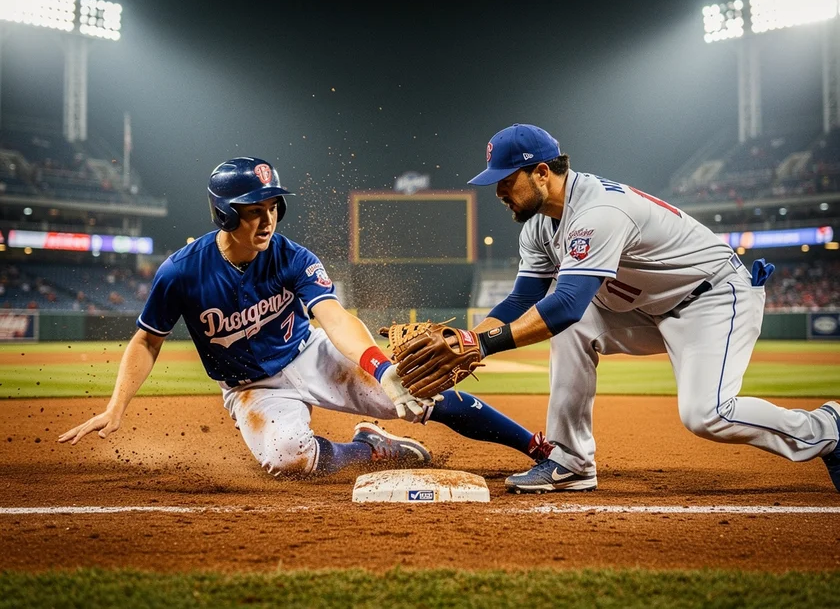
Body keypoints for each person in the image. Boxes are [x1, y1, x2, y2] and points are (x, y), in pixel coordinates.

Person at [405, 123, 840, 493]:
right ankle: (570, 461)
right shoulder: (538, 226)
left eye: (505, 179)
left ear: (541, 173)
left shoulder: (600, 211)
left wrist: (482, 346)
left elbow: (567, 305)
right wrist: (468, 338)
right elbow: (522, 299)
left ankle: (829, 427)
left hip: (711, 298)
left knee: (707, 415)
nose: (498, 190)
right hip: (645, 307)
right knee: (572, 330)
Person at [59, 156, 554, 477]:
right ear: (225, 215)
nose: (269, 218)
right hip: (252, 386)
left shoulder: (292, 256)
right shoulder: (181, 273)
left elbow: (334, 317)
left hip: (309, 354)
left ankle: (538, 449)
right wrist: (117, 405)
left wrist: (385, 370)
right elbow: (147, 341)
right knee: (288, 460)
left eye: (274, 206)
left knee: (423, 390)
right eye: (255, 208)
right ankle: (375, 450)